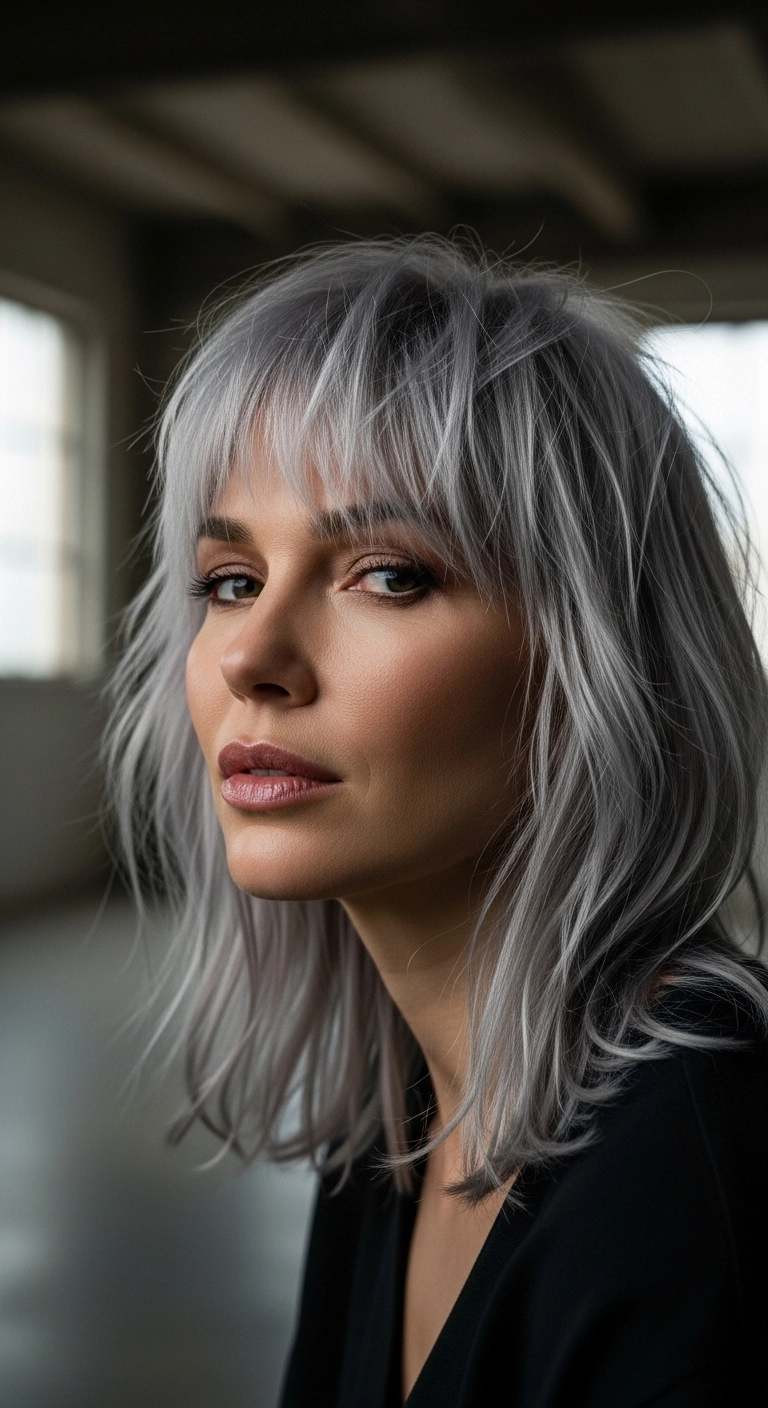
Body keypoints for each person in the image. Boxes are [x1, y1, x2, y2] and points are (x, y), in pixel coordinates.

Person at [107, 237, 768, 1407]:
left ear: (594, 659)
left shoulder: (698, 1183)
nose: (255, 657)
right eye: (231, 578)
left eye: (388, 574)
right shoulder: (405, 1119)